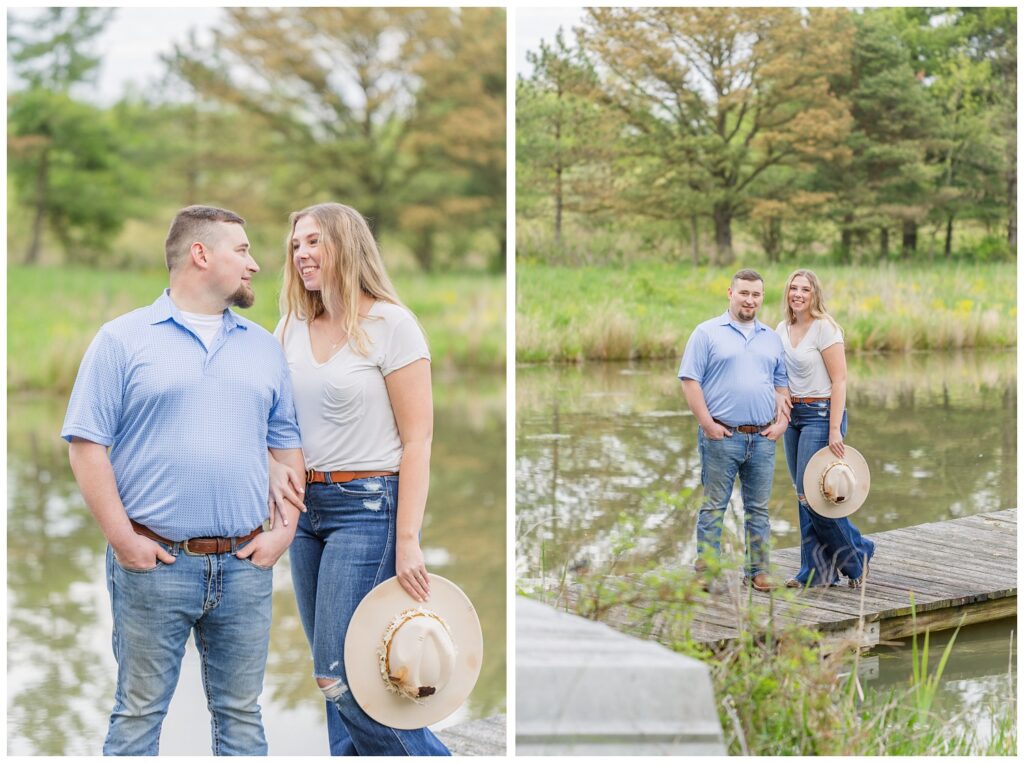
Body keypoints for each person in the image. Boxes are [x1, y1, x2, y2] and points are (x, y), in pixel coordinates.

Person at [61, 205, 305, 755]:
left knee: (242, 717)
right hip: (154, 565)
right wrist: (125, 542)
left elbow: (286, 445)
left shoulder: (263, 345)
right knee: (138, 715)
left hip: (246, 566)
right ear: (201, 254)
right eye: (242, 250)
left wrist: (283, 533)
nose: (256, 265)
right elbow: (85, 446)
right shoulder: (121, 341)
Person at [269, 202, 450, 755]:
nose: (302, 254)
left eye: (315, 242)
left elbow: (418, 440)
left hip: (368, 507)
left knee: (341, 675)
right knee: (335, 685)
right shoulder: (290, 327)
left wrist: (408, 539)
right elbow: (280, 425)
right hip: (304, 513)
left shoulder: (391, 325)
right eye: (296, 244)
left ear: (347, 247)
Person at [678, 268, 790, 592]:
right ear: (730, 293)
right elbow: (690, 380)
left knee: (758, 509)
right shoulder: (706, 333)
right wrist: (707, 424)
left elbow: (781, 385)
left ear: (761, 298)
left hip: (763, 437)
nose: (749, 300)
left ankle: (758, 571)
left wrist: (781, 423)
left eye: (756, 294)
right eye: (744, 293)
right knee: (714, 506)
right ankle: (707, 571)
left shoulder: (771, 338)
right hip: (722, 436)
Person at [776, 269, 874, 588]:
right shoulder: (782, 328)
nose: (798, 294)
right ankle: (818, 571)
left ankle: (855, 557)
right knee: (804, 495)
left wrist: (835, 428)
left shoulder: (825, 329)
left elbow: (840, 380)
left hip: (821, 413)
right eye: (793, 288)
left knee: (814, 497)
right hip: (794, 416)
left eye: (805, 289)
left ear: (814, 294)